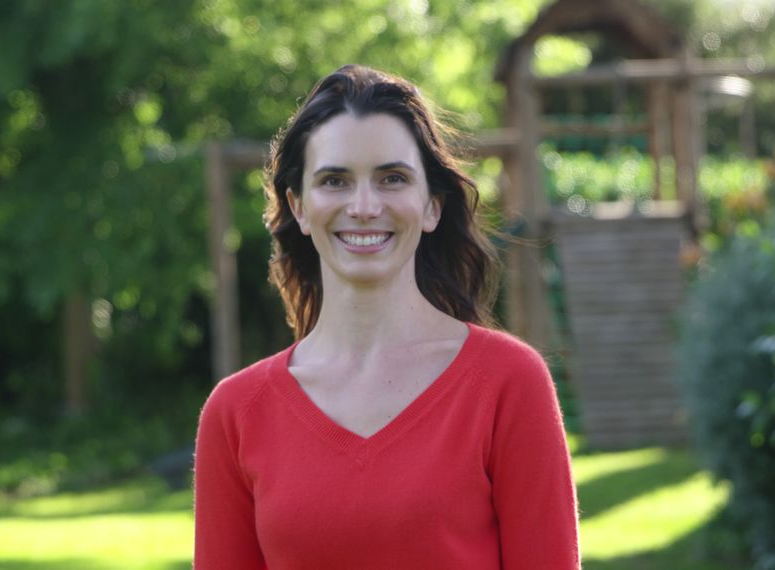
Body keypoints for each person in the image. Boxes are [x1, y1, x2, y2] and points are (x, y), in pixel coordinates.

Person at [193, 64, 580, 569]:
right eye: (335, 180)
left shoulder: (508, 382)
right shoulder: (236, 412)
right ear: (300, 207)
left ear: (432, 206)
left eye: (391, 178)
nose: (364, 206)